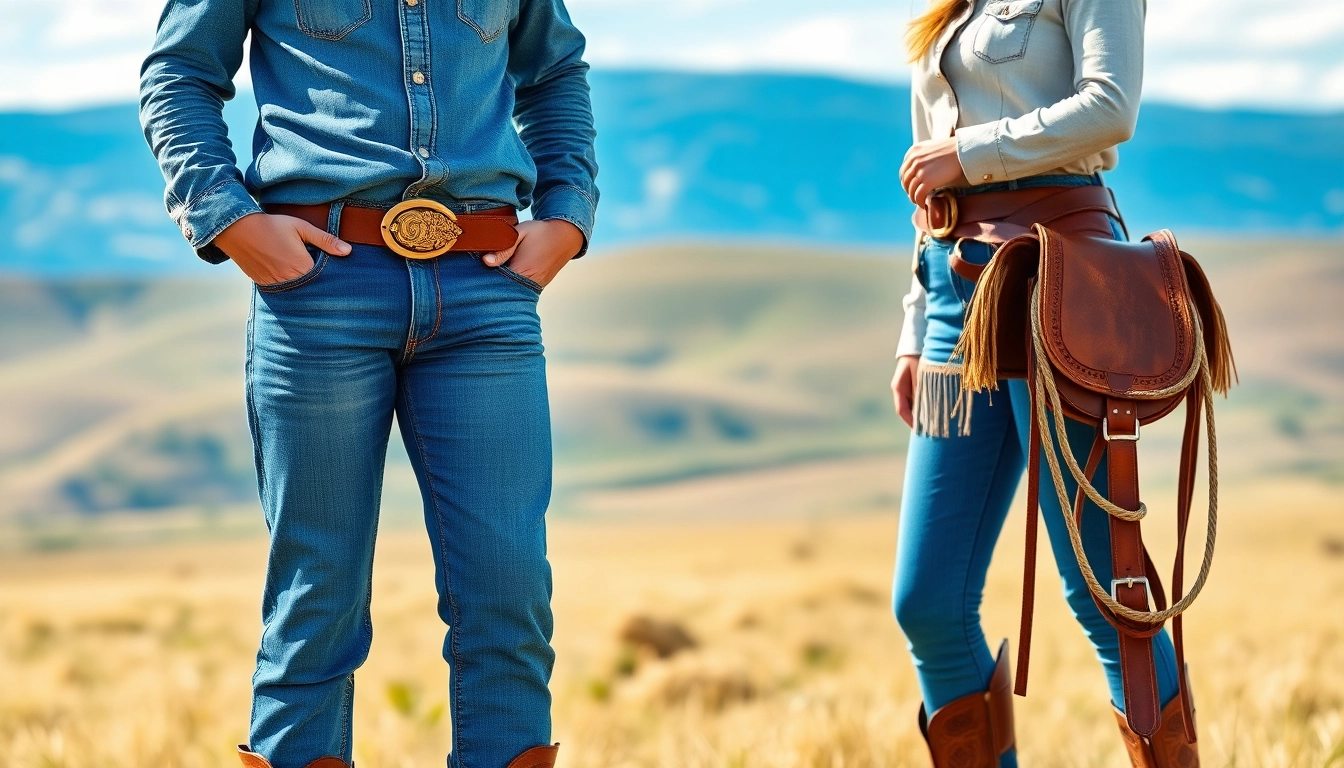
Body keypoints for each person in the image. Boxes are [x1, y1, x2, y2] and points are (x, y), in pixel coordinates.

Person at [139, 0, 598, 766]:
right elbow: (179, 72)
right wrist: (229, 219)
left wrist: (568, 215)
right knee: (317, 594)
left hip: (486, 290)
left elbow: (554, 73)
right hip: (321, 289)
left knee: (508, 587)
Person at [888, 1, 1198, 766]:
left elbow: (1110, 107)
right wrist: (913, 328)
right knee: (926, 602)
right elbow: (932, 183)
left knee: (1102, 590)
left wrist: (971, 153)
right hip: (951, 298)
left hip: (1055, 282)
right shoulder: (950, 8)